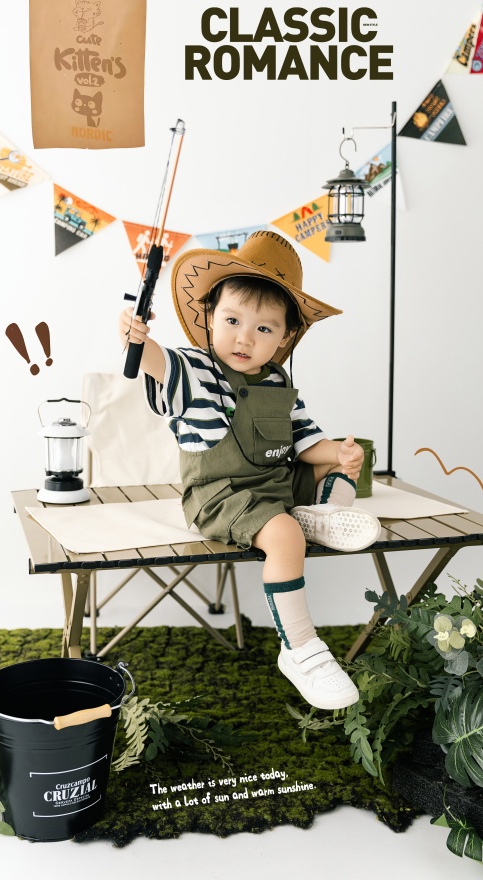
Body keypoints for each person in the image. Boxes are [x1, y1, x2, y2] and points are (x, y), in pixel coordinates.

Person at [118, 230, 381, 710]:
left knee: (340, 469)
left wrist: (338, 454)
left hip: (275, 485)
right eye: (233, 320)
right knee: (283, 534)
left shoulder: (278, 380)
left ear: (284, 337)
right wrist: (136, 336)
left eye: (264, 328)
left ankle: (322, 516)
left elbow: (304, 441)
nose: (244, 337)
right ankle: (301, 648)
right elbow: (156, 362)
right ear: (209, 316)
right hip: (222, 496)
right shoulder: (196, 370)